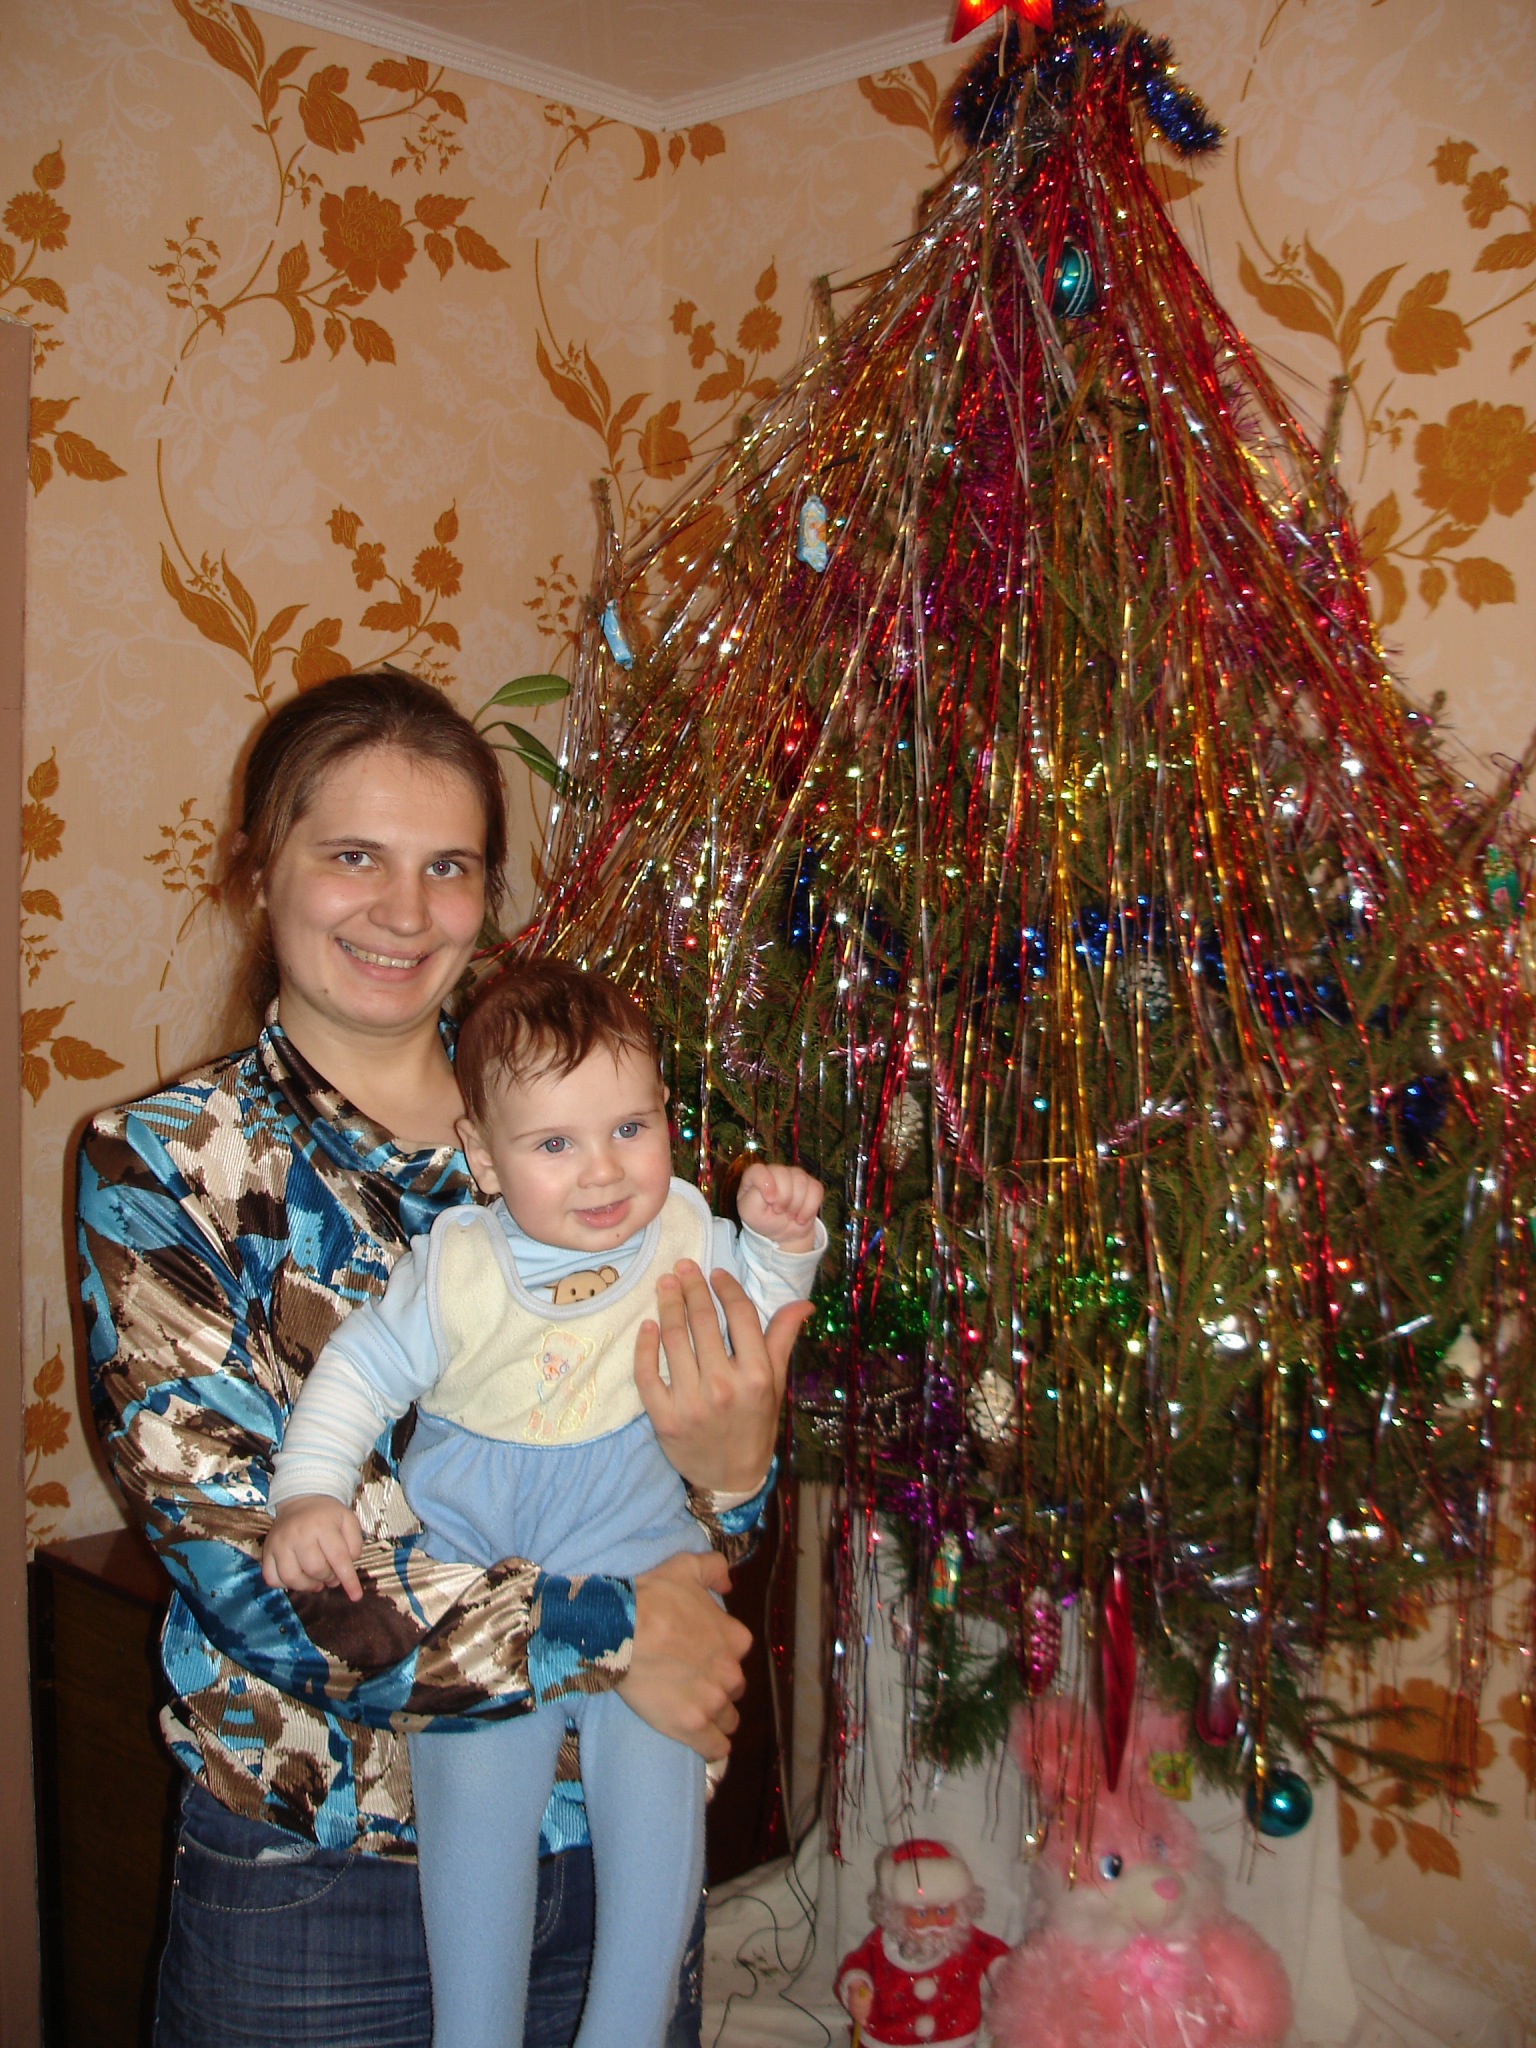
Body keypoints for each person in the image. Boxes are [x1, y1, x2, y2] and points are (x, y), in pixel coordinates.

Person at [75, 670, 811, 2048]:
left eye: (449, 866)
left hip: (606, 1845)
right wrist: (611, 1633)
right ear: (259, 870)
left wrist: (737, 1468)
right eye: (354, 855)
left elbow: (695, 1491)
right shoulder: (170, 1167)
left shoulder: (593, 1127)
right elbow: (249, 1564)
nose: (406, 912)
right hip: (326, 1886)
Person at [262, 961, 826, 2046]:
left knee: (658, 1845)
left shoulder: (682, 1235)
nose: (604, 1169)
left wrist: (778, 1245)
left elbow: (755, 1325)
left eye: (631, 1128)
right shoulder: (459, 1269)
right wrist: (308, 1491)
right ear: (483, 1157)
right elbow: (357, 1374)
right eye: (554, 1143)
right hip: (490, 1592)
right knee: (476, 1847)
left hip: (647, 1574)